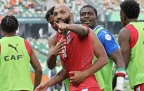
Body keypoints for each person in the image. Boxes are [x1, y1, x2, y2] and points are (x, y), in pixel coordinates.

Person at [35, 4, 108, 91]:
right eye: (55, 14)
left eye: (62, 12)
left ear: (71, 15)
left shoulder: (83, 30)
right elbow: (66, 70)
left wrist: (84, 74)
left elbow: (84, 31)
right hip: (72, 86)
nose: (58, 16)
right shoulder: (57, 38)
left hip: (88, 85)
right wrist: (47, 84)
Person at [80, 5, 126, 91]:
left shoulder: (102, 35)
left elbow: (119, 60)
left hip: (102, 87)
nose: (86, 16)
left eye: (90, 14)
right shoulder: (80, 37)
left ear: (96, 18)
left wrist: (119, 85)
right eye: (83, 14)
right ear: (80, 18)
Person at [0, 15, 42, 91]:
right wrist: (35, 89)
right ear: (17, 28)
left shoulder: (0, 44)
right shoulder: (25, 44)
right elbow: (39, 70)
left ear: (1, 29)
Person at [118, 0, 144, 91]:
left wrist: (116, 84)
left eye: (120, 14)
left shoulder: (126, 32)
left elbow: (123, 64)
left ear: (123, 15)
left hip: (141, 80)